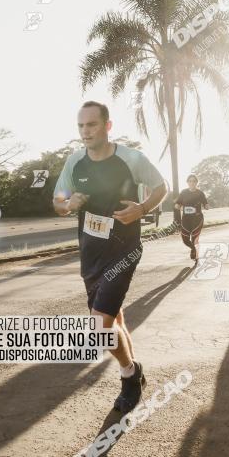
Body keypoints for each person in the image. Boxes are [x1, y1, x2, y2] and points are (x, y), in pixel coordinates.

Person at [53, 101, 167, 414]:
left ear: (107, 125)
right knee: (112, 319)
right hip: (90, 252)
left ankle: (130, 375)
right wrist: (69, 202)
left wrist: (142, 209)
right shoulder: (75, 162)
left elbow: (161, 187)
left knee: (99, 327)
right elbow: (58, 201)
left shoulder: (131, 158)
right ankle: (133, 368)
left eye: (91, 124)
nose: (85, 131)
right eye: (80, 126)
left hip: (124, 250)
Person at [174, 174, 208, 261]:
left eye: (194, 181)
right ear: (187, 182)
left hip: (197, 219)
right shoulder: (183, 192)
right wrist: (179, 207)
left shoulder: (200, 193)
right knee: (185, 239)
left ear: (196, 182)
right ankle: (193, 248)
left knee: (195, 239)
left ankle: (196, 255)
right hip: (186, 219)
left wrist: (206, 205)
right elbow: (177, 205)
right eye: (190, 181)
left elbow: (206, 205)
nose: (192, 183)